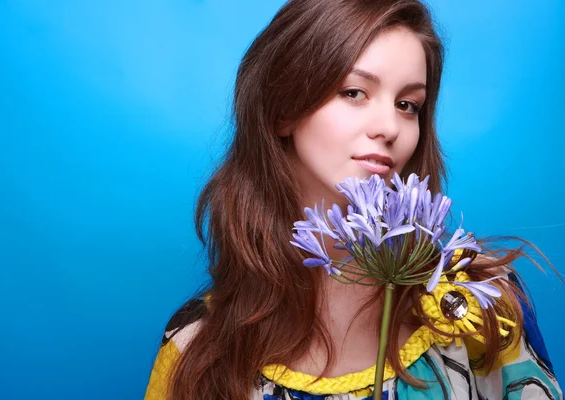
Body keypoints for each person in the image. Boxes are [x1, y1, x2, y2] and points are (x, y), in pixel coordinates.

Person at [144, 0, 562, 398]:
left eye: (407, 104)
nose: (389, 127)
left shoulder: (478, 308)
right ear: (283, 110)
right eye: (354, 92)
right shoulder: (195, 345)